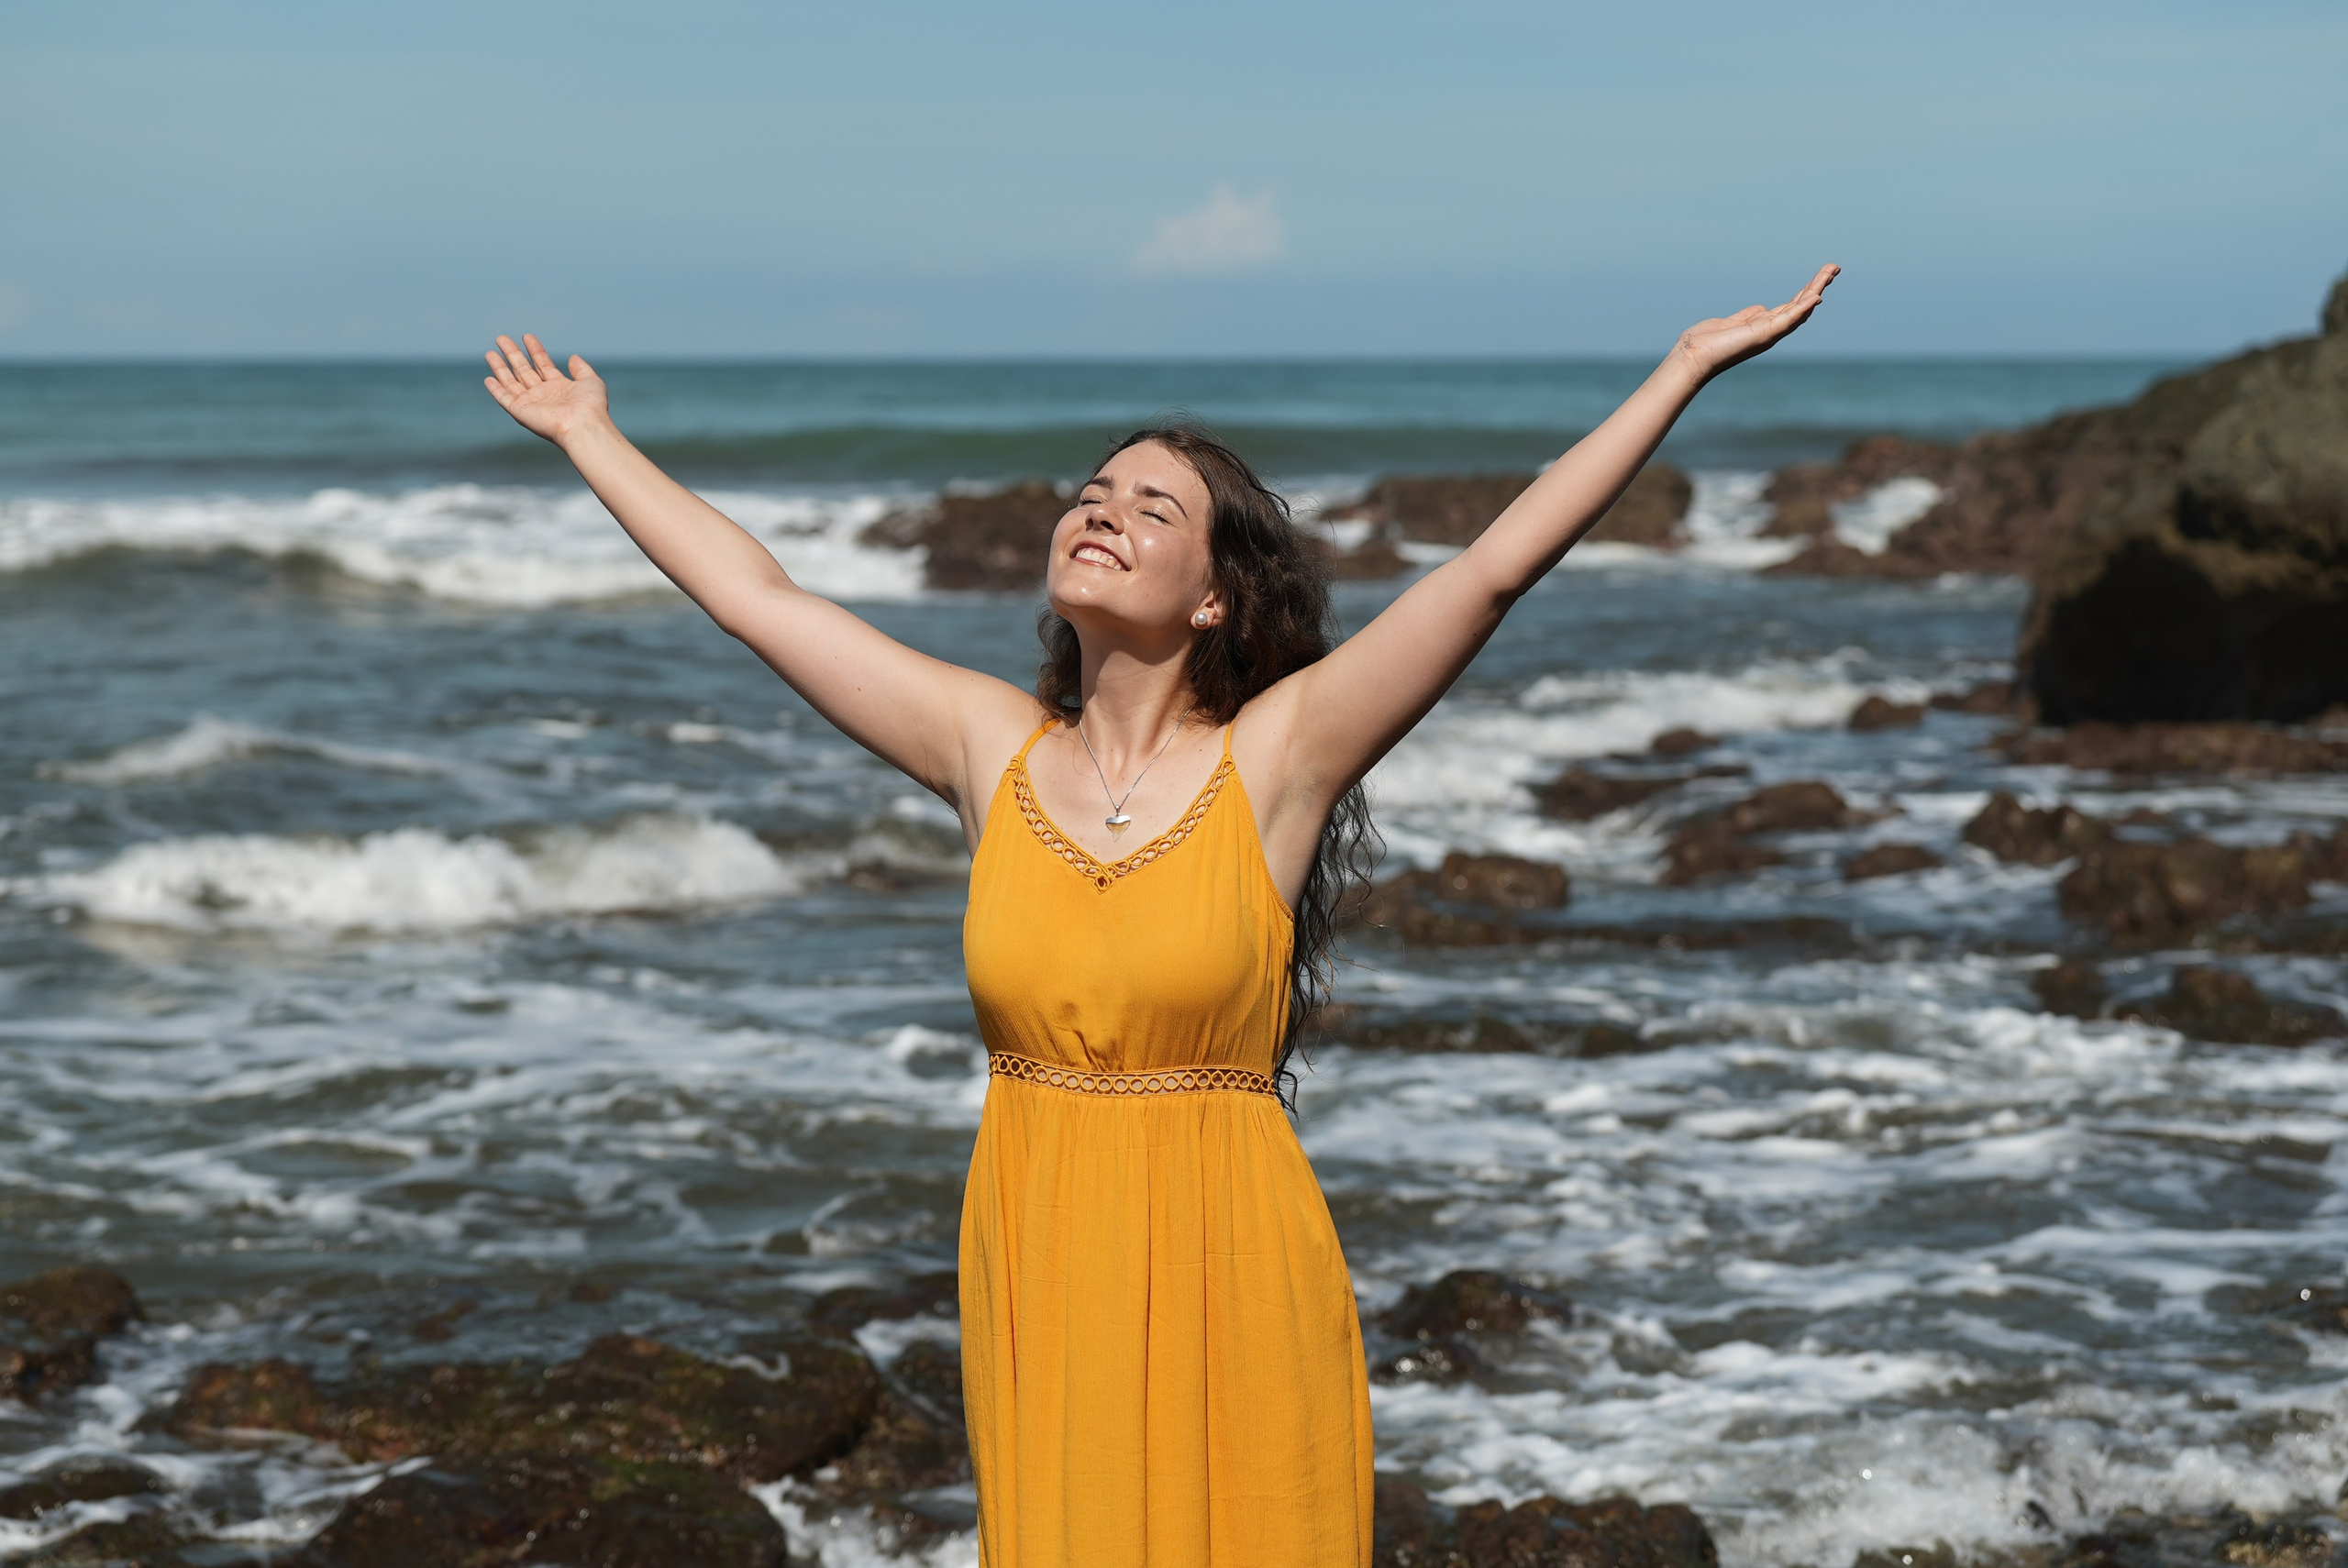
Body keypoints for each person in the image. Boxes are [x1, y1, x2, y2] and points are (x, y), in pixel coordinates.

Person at [481, 262, 1836, 1568]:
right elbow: (758, 600)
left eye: (1150, 505)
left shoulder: (1279, 759)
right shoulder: (986, 750)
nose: (1102, 510)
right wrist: (591, 435)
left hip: (1230, 1257)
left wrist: (1682, 371)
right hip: (1041, 1252)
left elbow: (1485, 572)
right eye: (1091, 492)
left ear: (1211, 594)